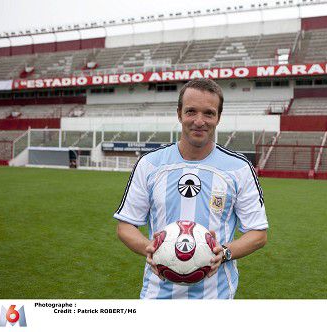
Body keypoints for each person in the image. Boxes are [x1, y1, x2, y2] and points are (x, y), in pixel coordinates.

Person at [114, 78, 268, 299]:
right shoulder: (149, 164)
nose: (199, 121)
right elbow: (125, 226)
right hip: (157, 295)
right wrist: (151, 249)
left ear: (218, 118)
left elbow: (258, 234)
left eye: (208, 113)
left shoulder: (239, 169)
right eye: (191, 111)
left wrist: (224, 253)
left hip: (216, 296)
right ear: (179, 114)